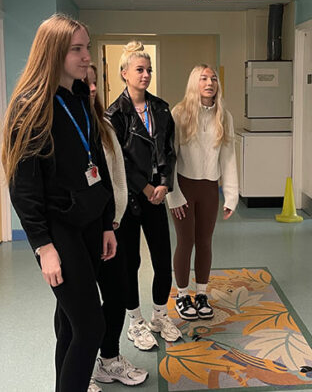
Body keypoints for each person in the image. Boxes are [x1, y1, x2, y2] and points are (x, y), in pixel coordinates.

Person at [2, 14, 117, 392]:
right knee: (90, 326)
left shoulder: (80, 96)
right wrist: (43, 246)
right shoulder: (32, 105)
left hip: (88, 222)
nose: (87, 57)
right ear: (54, 53)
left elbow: (95, 159)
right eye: (77, 49)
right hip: (59, 230)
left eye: (87, 47)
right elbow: (22, 185)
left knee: (69, 325)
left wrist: (105, 222)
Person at [106, 41, 182, 346]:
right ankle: (135, 320)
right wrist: (146, 186)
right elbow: (119, 159)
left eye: (148, 70)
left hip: (156, 195)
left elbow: (169, 150)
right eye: (139, 70)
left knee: (163, 259)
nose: (145, 75)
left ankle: (159, 315)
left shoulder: (161, 108)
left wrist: (164, 183)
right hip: (130, 198)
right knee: (131, 262)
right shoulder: (115, 114)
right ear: (125, 73)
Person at [84, 65, 147, 390]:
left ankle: (109, 360)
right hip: (80, 233)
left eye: (95, 82)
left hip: (113, 226)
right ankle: (80, 371)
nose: (92, 88)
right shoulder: (66, 126)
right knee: (78, 310)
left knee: (116, 293)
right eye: (85, 82)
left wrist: (117, 218)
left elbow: (117, 178)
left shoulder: (104, 124)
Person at [166, 64, 238, 321]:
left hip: (209, 189)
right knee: (186, 242)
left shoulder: (224, 116)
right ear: (194, 83)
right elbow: (170, 156)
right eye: (204, 78)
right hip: (184, 186)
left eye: (214, 79)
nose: (210, 83)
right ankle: (183, 295)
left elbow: (228, 157)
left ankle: (202, 293)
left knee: (205, 242)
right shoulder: (179, 113)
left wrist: (231, 195)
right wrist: (173, 195)